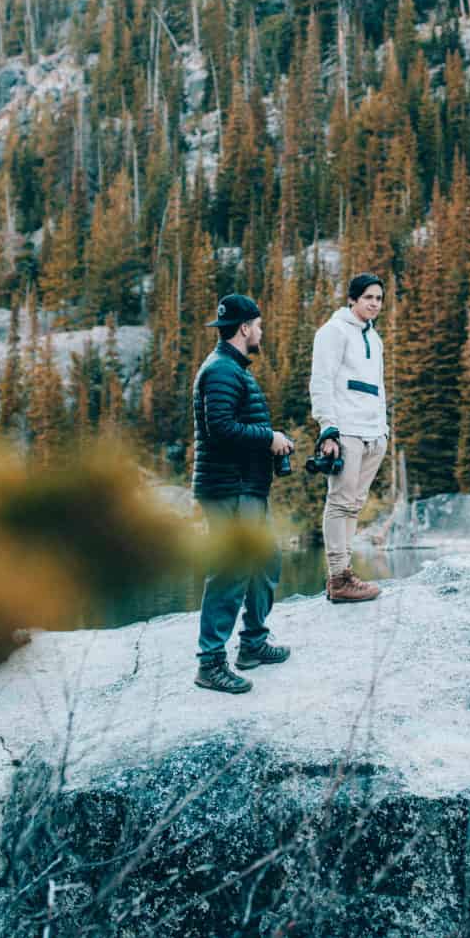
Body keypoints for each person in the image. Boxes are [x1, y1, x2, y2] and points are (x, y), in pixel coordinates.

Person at [189, 293, 295, 693]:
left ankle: (252, 644)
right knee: (231, 572)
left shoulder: (231, 368)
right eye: (259, 325)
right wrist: (269, 438)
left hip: (246, 488)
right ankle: (210, 663)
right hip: (228, 489)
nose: (262, 331)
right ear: (245, 327)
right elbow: (221, 427)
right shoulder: (220, 371)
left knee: (266, 561)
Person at [309, 273, 390, 603]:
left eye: (379, 298)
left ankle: (345, 575)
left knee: (354, 504)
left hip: (374, 433)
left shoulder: (377, 339)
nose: (374, 303)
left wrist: (383, 431)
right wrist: (327, 428)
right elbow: (321, 381)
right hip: (346, 432)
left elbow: (379, 387)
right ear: (352, 299)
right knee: (340, 502)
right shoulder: (333, 332)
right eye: (368, 297)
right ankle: (338, 576)